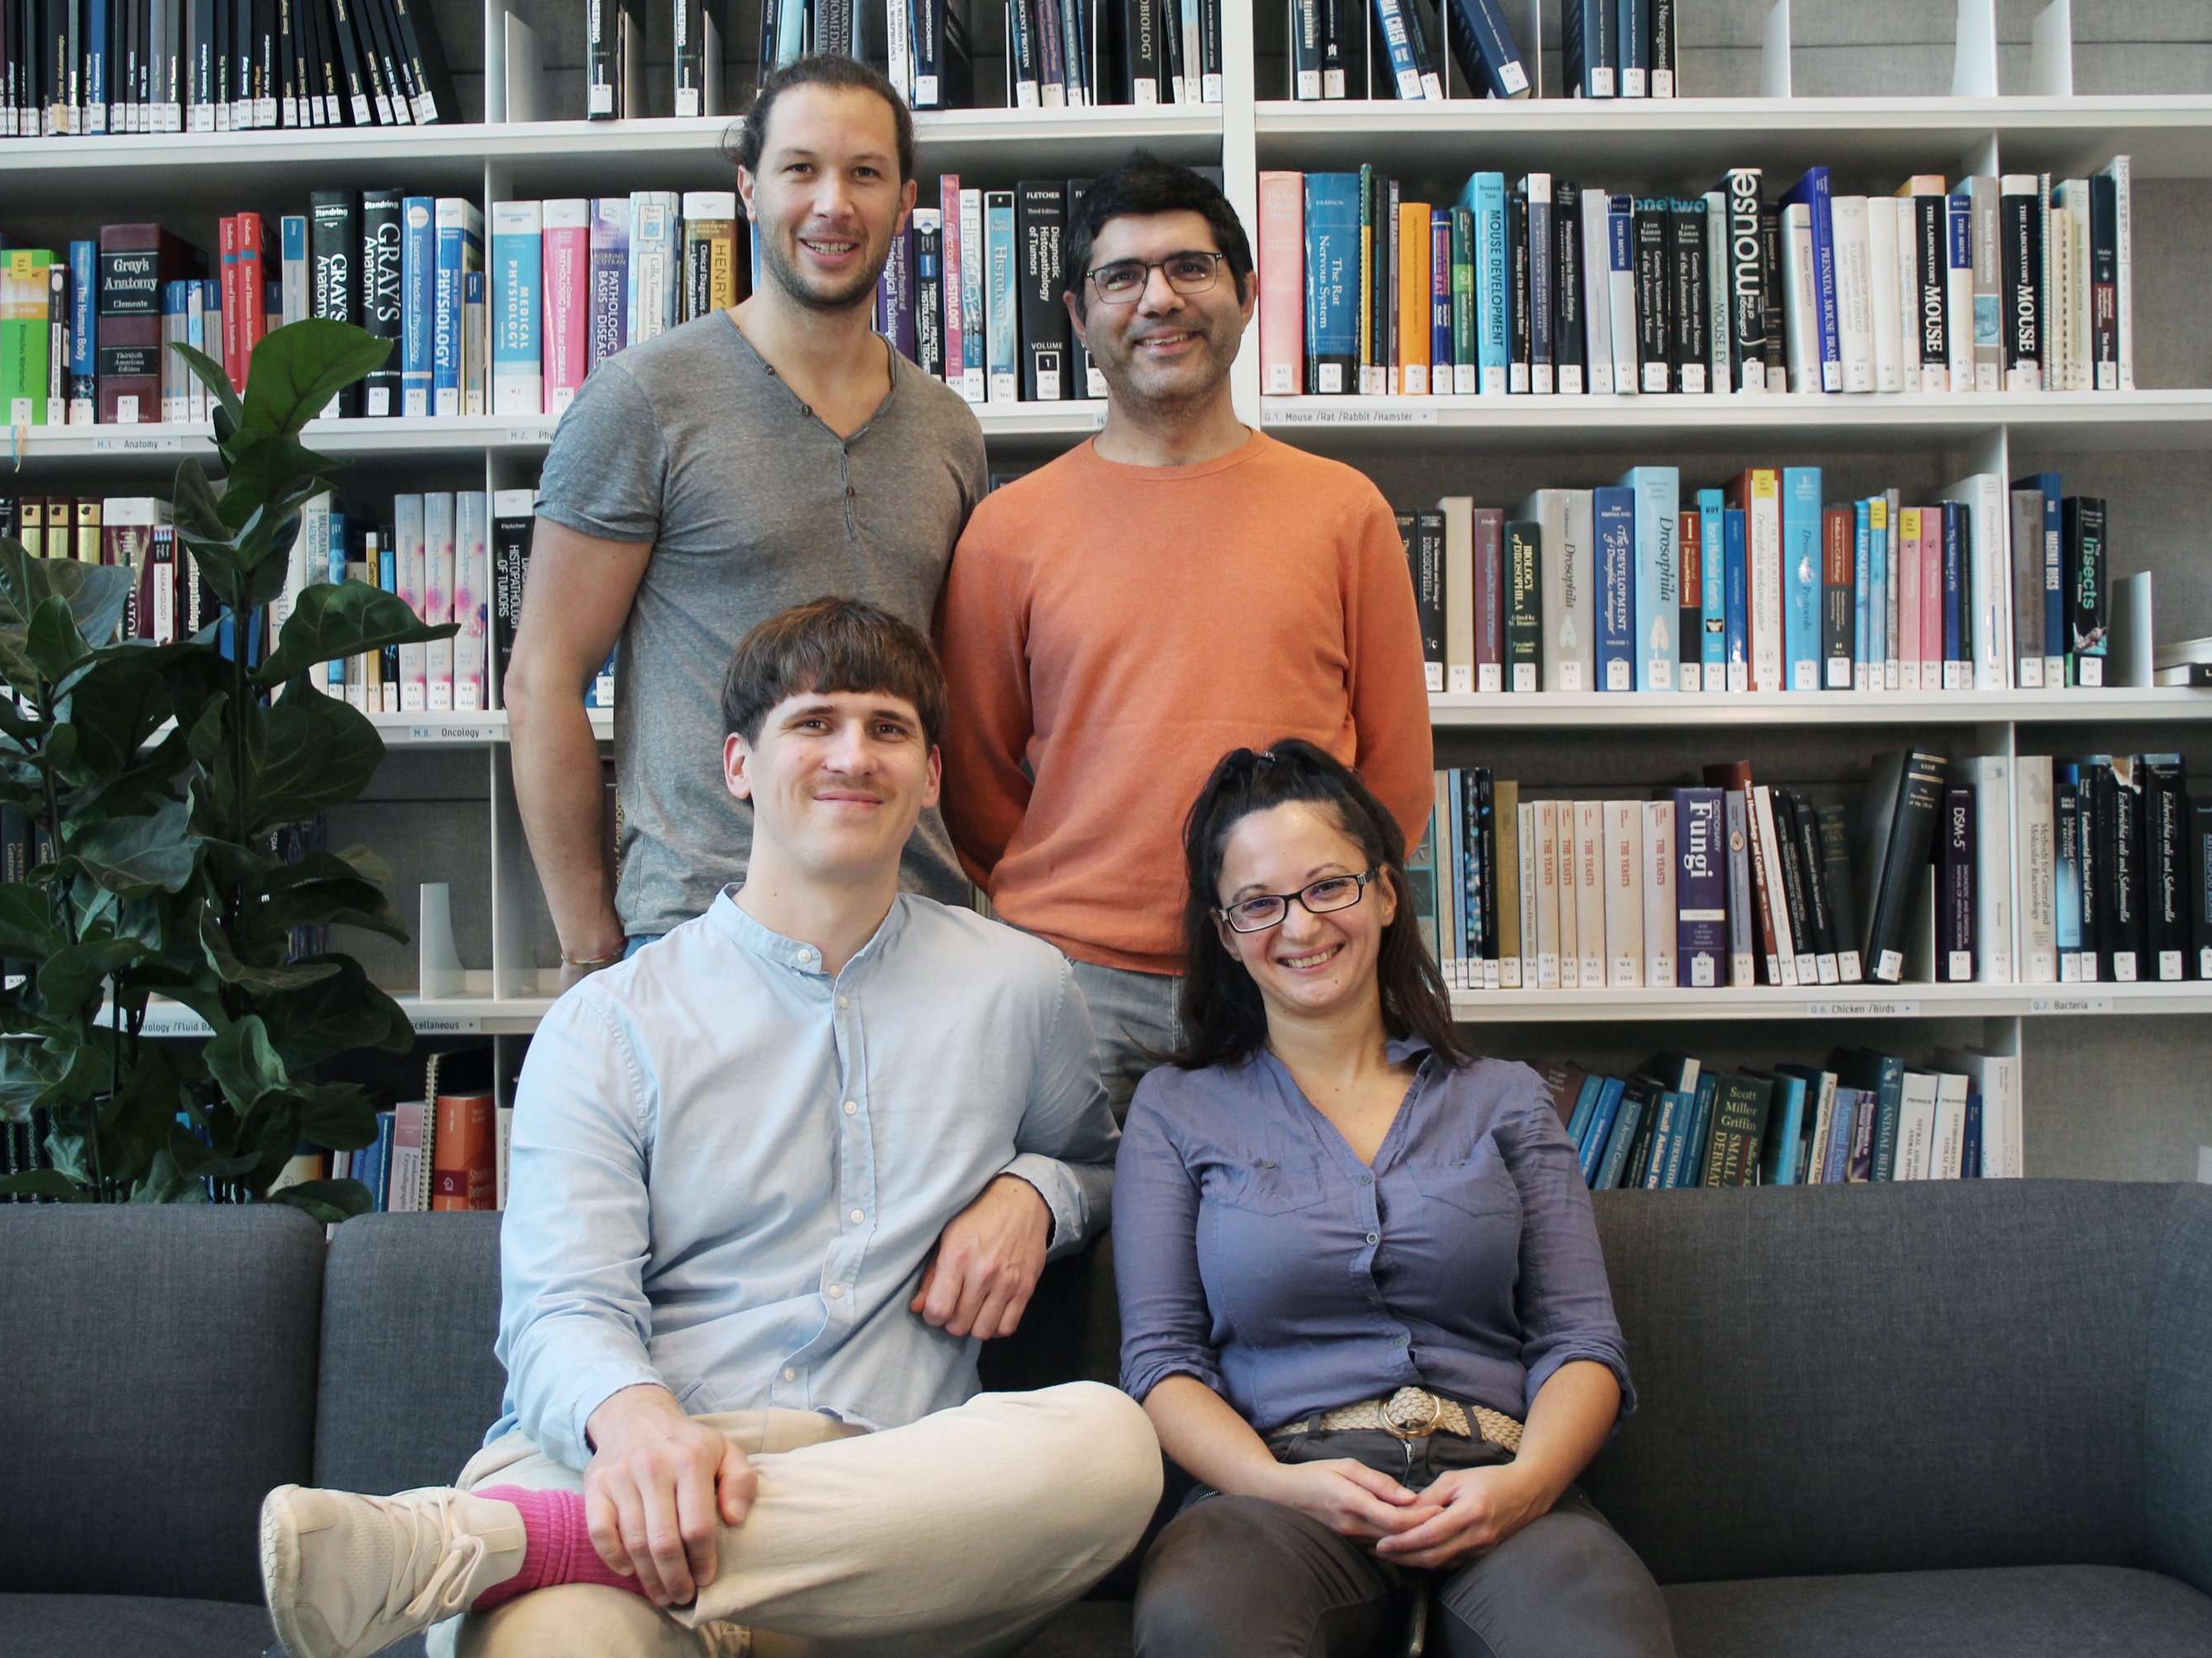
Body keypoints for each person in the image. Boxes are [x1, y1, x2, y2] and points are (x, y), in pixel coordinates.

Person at [260, 600, 1159, 1658]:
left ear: (930, 776)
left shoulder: (1019, 986)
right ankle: (581, 1541)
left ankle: (499, 1542)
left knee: (1112, 1449)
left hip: (882, 1498)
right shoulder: (609, 1023)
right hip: (626, 1466)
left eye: (889, 728)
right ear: (739, 764)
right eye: (813, 722)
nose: (852, 756)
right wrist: (641, 1429)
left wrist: (1035, 1195)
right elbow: (558, 1308)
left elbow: (1099, 1167)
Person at [1112, 740, 1675, 1658]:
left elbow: (1582, 1340)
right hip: (1279, 1491)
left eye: (1327, 884)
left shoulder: (1505, 1095)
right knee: (1201, 1622)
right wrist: (1276, 1483)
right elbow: (1163, 1362)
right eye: (1258, 902)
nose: (1298, 926)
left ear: (1382, 891)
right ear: (1225, 932)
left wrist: (1525, 1484)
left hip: (1496, 1476)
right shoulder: (1176, 1109)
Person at [937, 153, 1431, 1115]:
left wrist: (1307, 923)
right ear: (1080, 320)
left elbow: (1395, 777)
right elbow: (979, 786)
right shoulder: (1008, 530)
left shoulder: (1344, 510)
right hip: (1072, 985)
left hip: (1291, 969)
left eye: (1189, 268)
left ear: (1246, 296)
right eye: (1121, 276)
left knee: (1302, 1261)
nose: (1158, 299)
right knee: (1062, 1252)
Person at [508, 54, 985, 987]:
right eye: (801, 169)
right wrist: (590, 943)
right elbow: (542, 682)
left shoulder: (947, 427)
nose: (833, 203)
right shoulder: (646, 399)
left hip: (915, 929)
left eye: (865, 173)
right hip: (702, 929)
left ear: (905, 200)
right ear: (748, 189)